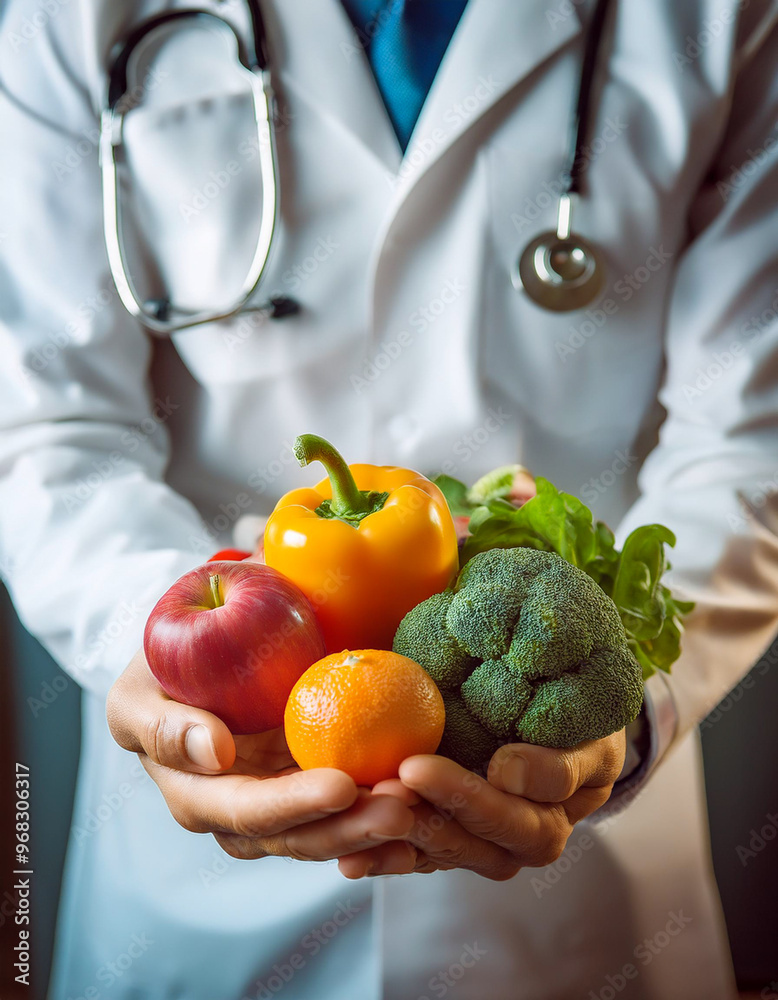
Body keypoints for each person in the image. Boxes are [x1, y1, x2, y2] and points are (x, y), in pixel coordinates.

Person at [1, 1, 777, 997]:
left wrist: (626, 720)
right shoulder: (70, 17)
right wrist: (168, 653)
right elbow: (50, 430)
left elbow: (752, 441)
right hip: (200, 873)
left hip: (562, 832)